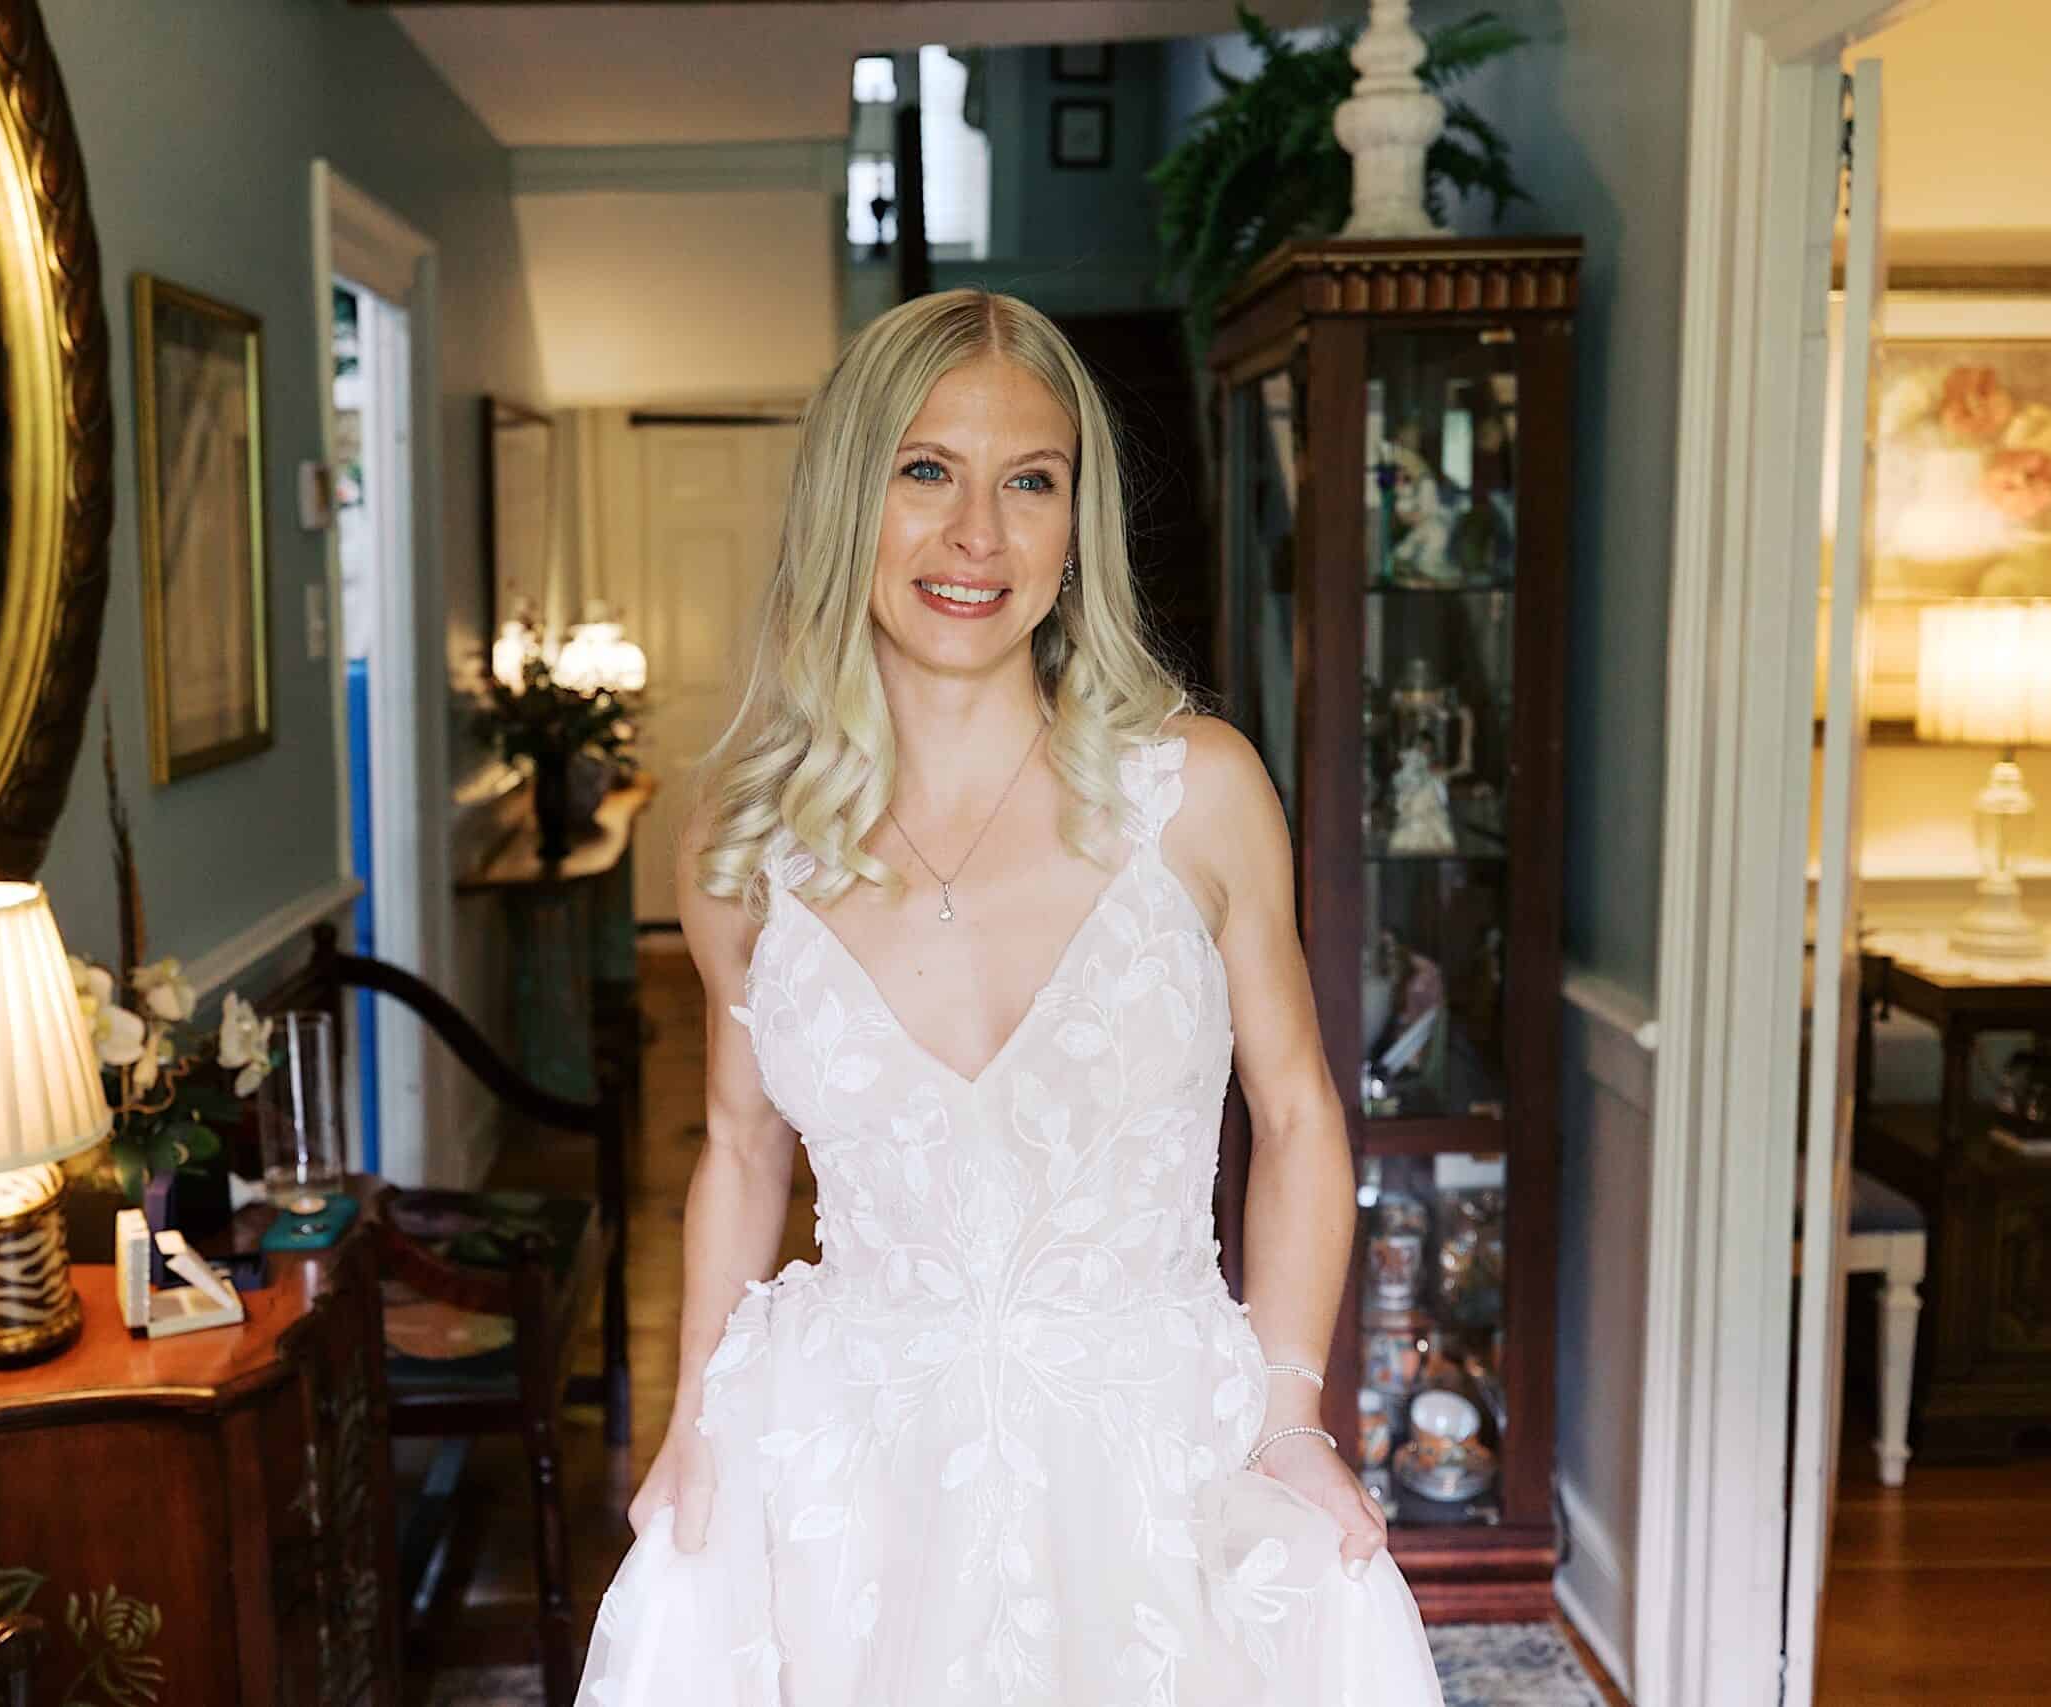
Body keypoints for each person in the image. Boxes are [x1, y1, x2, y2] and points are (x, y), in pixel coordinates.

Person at [575, 288, 1444, 1705]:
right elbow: (738, 1152)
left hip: (1155, 1456)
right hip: (849, 1467)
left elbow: (1295, 1117)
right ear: (850, 499)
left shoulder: (1198, 791)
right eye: (927, 471)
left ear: (1071, 528)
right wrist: (690, 1426)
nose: (977, 535)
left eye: (1029, 482)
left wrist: (1291, 1420)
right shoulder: (743, 848)